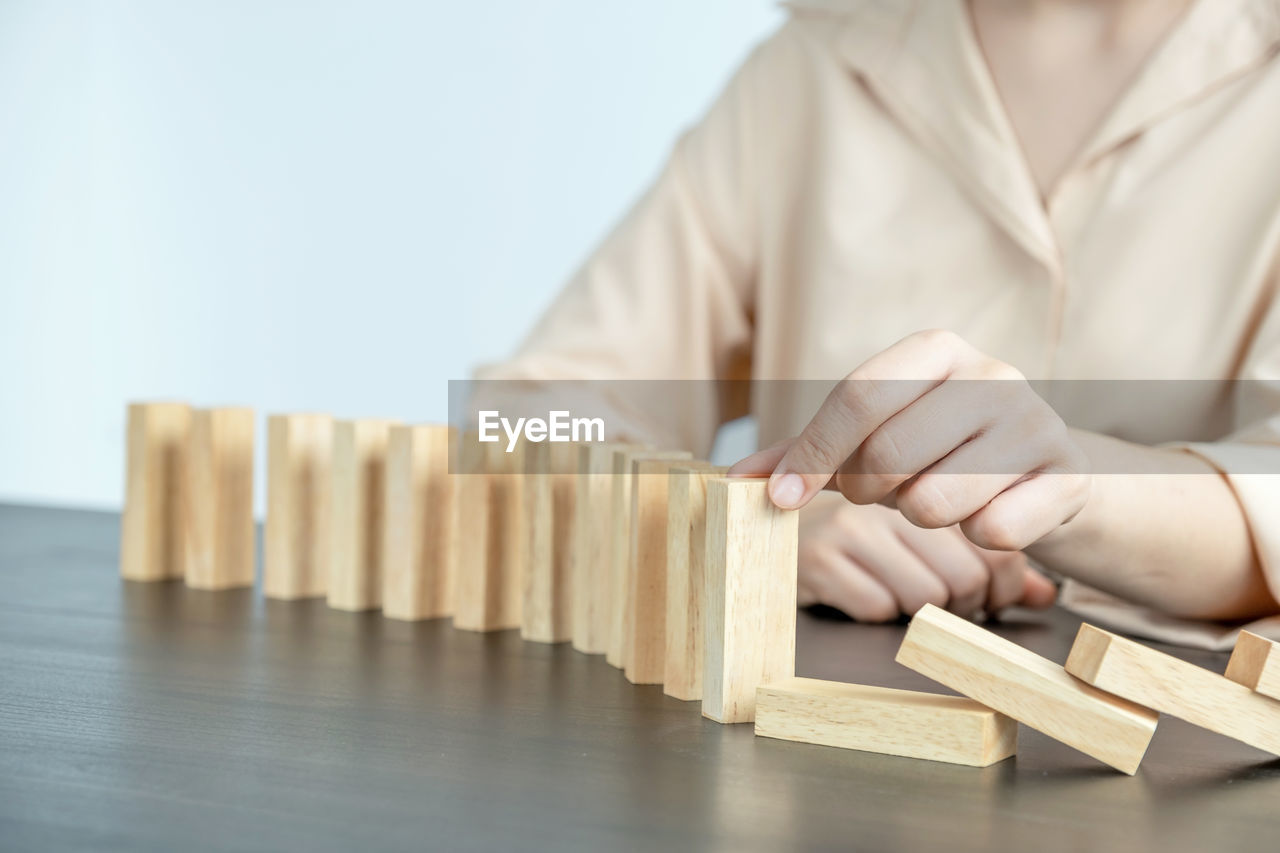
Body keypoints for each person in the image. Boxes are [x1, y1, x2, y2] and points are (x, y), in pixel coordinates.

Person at [479, 0, 1280, 647]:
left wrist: (1068, 489)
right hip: (813, 757)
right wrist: (747, 529)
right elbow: (513, 426)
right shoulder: (809, 67)